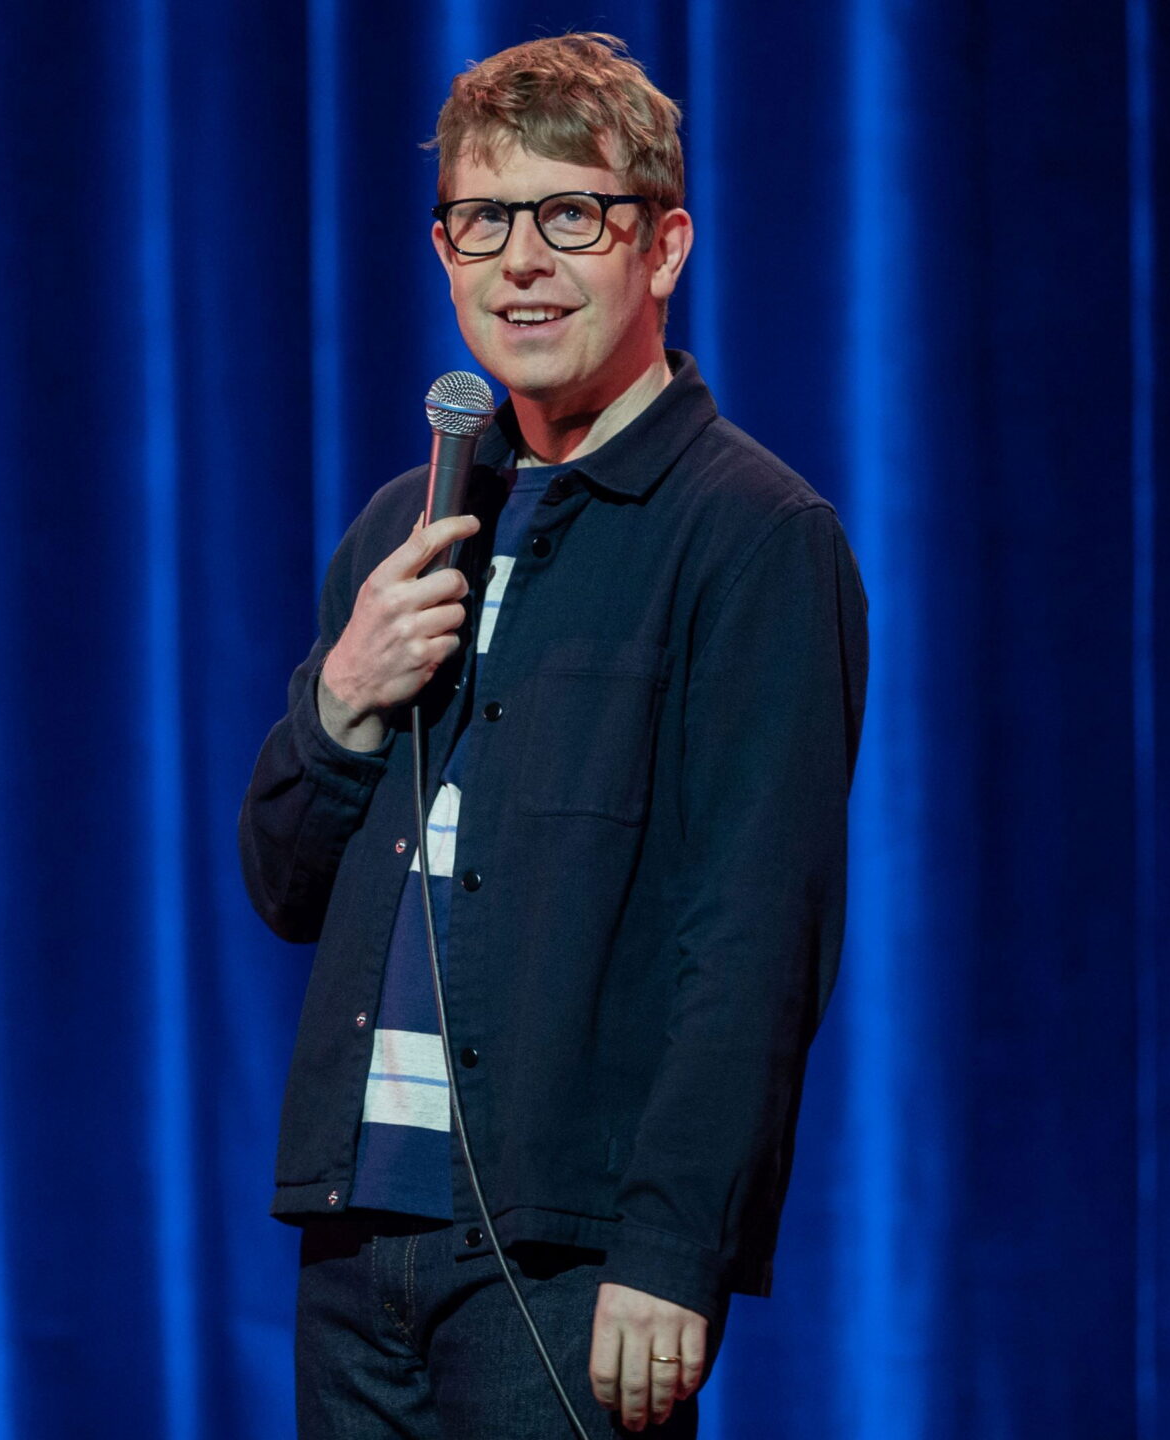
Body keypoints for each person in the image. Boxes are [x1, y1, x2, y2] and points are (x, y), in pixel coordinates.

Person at [238, 32, 869, 1439]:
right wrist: (342, 701)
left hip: (561, 1257)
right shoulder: (408, 525)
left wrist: (674, 1248)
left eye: (571, 216)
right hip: (357, 1237)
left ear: (663, 246)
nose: (521, 262)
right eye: (483, 221)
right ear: (444, 251)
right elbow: (284, 886)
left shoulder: (753, 535)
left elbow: (755, 932)